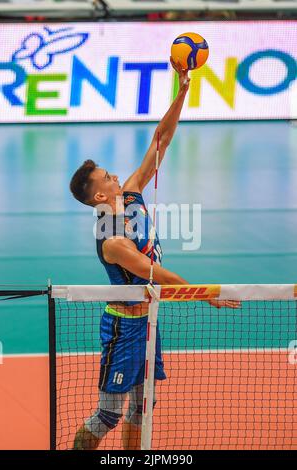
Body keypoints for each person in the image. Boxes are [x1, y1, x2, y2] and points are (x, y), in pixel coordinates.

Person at [69, 59, 240, 450]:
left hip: (150, 321)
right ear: (98, 196)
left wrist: (182, 93)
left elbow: (160, 139)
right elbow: (154, 272)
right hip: (123, 328)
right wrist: (204, 292)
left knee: (141, 410)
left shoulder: (130, 195)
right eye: (107, 178)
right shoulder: (112, 241)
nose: (116, 176)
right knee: (107, 416)